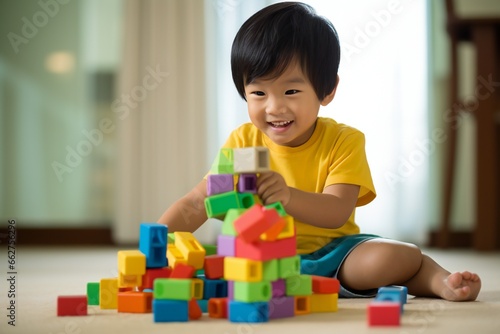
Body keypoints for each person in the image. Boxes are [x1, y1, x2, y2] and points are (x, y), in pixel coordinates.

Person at [158, 1, 481, 301]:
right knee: (203, 268)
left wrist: (287, 196)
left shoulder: (343, 140)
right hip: (258, 256)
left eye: (291, 90)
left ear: (326, 90)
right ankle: (280, 279)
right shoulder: (244, 141)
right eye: (258, 92)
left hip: (334, 254)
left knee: (392, 257)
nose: (274, 107)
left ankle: (438, 280)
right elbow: (197, 203)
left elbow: (337, 210)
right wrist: (156, 244)